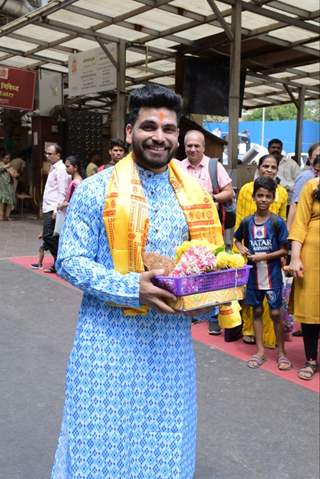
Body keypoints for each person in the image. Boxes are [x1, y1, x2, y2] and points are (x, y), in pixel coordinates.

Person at [51, 84, 223, 478]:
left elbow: (201, 266)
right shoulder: (97, 188)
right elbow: (70, 260)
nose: (159, 137)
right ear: (129, 131)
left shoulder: (194, 198)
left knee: (164, 447)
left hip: (168, 352)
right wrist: (132, 288)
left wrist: (209, 296)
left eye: (168, 129)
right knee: (98, 447)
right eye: (148, 126)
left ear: (178, 136)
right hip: (106, 348)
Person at [180, 129, 233, 335]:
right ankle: (191, 309)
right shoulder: (177, 167)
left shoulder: (214, 166)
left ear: (204, 147)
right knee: (187, 266)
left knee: (212, 267)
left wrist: (211, 199)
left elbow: (229, 192)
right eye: (189, 146)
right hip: (185, 228)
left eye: (197, 146)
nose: (193, 149)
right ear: (184, 147)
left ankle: (213, 316)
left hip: (210, 228)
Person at [234, 177, 290, 370]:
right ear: (253, 197)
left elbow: (285, 250)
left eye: (268, 196)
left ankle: (282, 353)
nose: (263, 199)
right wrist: (241, 248)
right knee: (256, 311)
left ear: (273, 198)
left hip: (273, 275)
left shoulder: (277, 222)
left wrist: (263, 256)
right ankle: (259, 352)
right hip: (253, 277)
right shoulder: (247, 221)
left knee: (275, 312)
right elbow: (236, 239)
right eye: (260, 195)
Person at [288, 177, 320, 380]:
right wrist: (295, 257)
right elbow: (299, 224)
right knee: (311, 307)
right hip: (312, 255)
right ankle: (310, 360)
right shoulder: (312, 186)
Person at [41, 143, 70, 273]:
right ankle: (58, 263)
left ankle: (61, 261)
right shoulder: (53, 167)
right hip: (48, 206)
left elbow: (62, 191)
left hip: (53, 207)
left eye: (50, 154)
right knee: (50, 236)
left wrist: (56, 210)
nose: (47, 156)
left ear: (58, 155)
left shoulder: (61, 169)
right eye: (46, 153)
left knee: (48, 236)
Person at [287, 143, 320, 231]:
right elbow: (295, 204)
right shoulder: (307, 176)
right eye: (317, 156)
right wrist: (289, 229)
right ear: (310, 159)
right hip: (306, 228)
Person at [269, 138, 300, 203]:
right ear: (268, 149)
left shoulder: (292, 164)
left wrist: (281, 183)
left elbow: (299, 185)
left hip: (288, 202)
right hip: (268, 201)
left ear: (281, 149)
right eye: (273, 147)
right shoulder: (264, 163)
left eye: (278, 148)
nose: (276, 150)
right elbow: (257, 181)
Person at [0, 151, 18, 220]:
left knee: (10, 200)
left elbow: (15, 174)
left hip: (9, 185)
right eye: (6, 158)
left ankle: (7, 216)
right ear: (2, 158)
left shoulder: (10, 165)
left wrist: (14, 173)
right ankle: (1, 215)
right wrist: (5, 167)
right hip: (2, 185)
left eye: (9, 158)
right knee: (2, 201)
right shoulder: (1, 164)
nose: (8, 160)